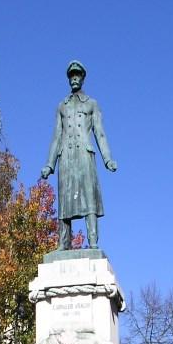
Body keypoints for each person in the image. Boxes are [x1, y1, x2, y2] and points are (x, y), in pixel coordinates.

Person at [41, 60, 117, 250]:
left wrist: (107, 159)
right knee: (65, 202)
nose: (74, 79)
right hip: (65, 157)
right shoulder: (62, 106)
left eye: (77, 75)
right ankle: (63, 243)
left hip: (84, 155)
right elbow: (56, 136)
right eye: (71, 76)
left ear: (82, 78)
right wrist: (50, 164)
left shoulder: (91, 104)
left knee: (89, 198)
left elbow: (100, 133)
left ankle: (92, 241)